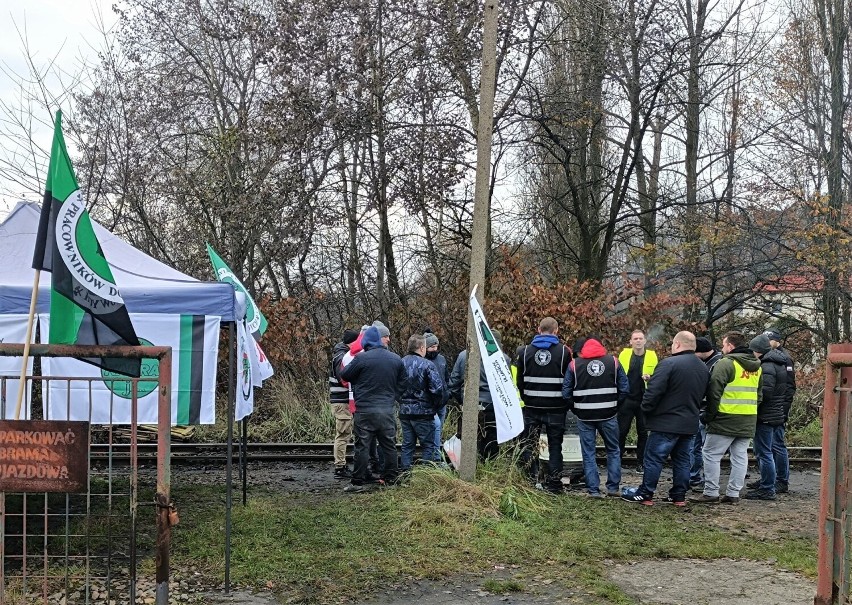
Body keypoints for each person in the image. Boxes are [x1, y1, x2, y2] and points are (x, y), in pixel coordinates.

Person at [622, 331, 709, 506]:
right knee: (683, 460)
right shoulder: (703, 367)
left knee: (653, 459)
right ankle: (679, 496)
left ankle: (645, 494)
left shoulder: (668, 364)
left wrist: (646, 410)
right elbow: (708, 395)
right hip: (689, 423)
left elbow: (653, 392)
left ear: (677, 344)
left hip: (665, 423)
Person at [690, 331, 762, 504]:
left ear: (730, 346)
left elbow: (714, 392)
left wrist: (709, 415)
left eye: (723, 345)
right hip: (748, 418)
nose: (722, 348)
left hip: (724, 418)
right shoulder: (757, 366)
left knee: (710, 454)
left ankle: (711, 492)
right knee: (740, 456)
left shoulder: (726, 364)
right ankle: (733, 493)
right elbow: (759, 395)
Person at [340, 326, 406, 492]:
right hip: (387, 409)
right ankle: (391, 478)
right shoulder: (396, 359)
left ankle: (357, 482)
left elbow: (345, 375)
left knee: (362, 446)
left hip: (365, 410)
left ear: (366, 341)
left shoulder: (361, 359)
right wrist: (393, 397)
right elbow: (403, 382)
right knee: (389, 444)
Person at [562, 336, 628, 498]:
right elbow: (625, 389)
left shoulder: (574, 365)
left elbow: (565, 393)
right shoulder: (614, 362)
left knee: (588, 452)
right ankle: (613, 488)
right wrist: (615, 406)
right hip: (609, 415)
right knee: (613, 450)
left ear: (583, 350)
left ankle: (593, 490)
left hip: (584, 416)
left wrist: (576, 408)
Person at [515, 317, 573, 493]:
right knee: (555, 446)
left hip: (531, 407)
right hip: (556, 408)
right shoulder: (564, 352)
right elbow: (568, 381)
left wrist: (528, 398)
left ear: (539, 329)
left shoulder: (524, 352)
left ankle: (531, 482)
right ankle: (554, 484)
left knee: (529, 444)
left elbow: (520, 381)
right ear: (556, 331)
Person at [448, 329, 512, 460]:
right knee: (491, 441)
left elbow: (453, 384)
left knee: (468, 440)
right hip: (492, 408)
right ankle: (489, 470)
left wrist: (463, 401)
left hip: (470, 406)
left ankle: (469, 468)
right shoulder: (503, 359)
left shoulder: (464, 356)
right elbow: (507, 388)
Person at [743, 334, 789, 501]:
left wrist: (754, 406)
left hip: (766, 414)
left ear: (757, 351)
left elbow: (765, 393)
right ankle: (767, 482)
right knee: (769, 449)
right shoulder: (778, 363)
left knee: (764, 452)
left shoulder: (767, 366)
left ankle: (767, 488)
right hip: (775, 412)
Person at [399, 334, 444, 471]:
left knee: (407, 445)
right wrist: (435, 405)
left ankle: (405, 473)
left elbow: (395, 386)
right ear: (422, 347)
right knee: (428, 445)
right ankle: (425, 475)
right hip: (423, 412)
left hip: (405, 411)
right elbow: (437, 389)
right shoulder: (427, 365)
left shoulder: (400, 363)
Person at [617, 330, 658, 473]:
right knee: (621, 432)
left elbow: (658, 377)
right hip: (627, 399)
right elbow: (617, 374)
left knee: (643, 433)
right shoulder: (624, 354)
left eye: (641, 338)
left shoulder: (652, 356)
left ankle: (641, 463)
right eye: (635, 338)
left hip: (644, 400)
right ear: (631, 341)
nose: (638, 341)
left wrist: (650, 377)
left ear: (645, 341)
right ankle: (617, 461)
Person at [762, 329, 796, 494]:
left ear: (777, 341)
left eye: (769, 340)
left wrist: (784, 410)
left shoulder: (784, 359)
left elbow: (789, 387)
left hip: (778, 409)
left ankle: (781, 480)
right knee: (769, 446)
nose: (767, 343)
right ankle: (769, 478)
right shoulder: (773, 357)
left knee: (777, 444)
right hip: (775, 409)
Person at [689, 337, 723, 490]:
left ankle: (702, 478)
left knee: (703, 448)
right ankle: (694, 476)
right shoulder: (711, 361)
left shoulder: (717, 363)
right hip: (700, 410)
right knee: (696, 446)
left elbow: (713, 390)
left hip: (705, 411)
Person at [329, 328, 359, 479]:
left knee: (344, 432)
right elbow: (344, 379)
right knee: (343, 433)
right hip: (341, 401)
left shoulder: (339, 354)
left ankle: (340, 465)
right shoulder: (341, 357)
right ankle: (339, 467)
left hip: (341, 400)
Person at [424, 332, 450, 452]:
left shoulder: (442, 359)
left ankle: (435, 451)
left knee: (438, 429)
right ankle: (434, 454)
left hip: (442, 402)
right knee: (434, 428)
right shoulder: (422, 360)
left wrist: (447, 393)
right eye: (432, 347)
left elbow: (446, 378)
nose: (434, 349)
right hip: (429, 402)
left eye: (436, 346)